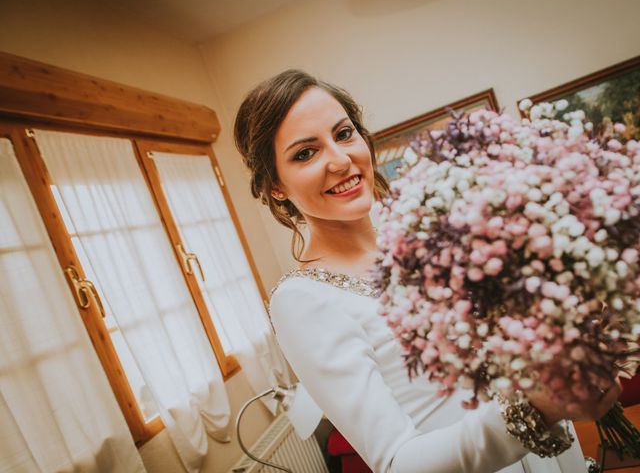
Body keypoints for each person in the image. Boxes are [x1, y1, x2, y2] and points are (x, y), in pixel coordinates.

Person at [234, 70, 620, 472]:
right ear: (275, 185)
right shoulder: (301, 302)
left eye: (344, 133)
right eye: (305, 153)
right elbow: (397, 462)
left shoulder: (422, 226)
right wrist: (534, 410)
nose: (340, 159)